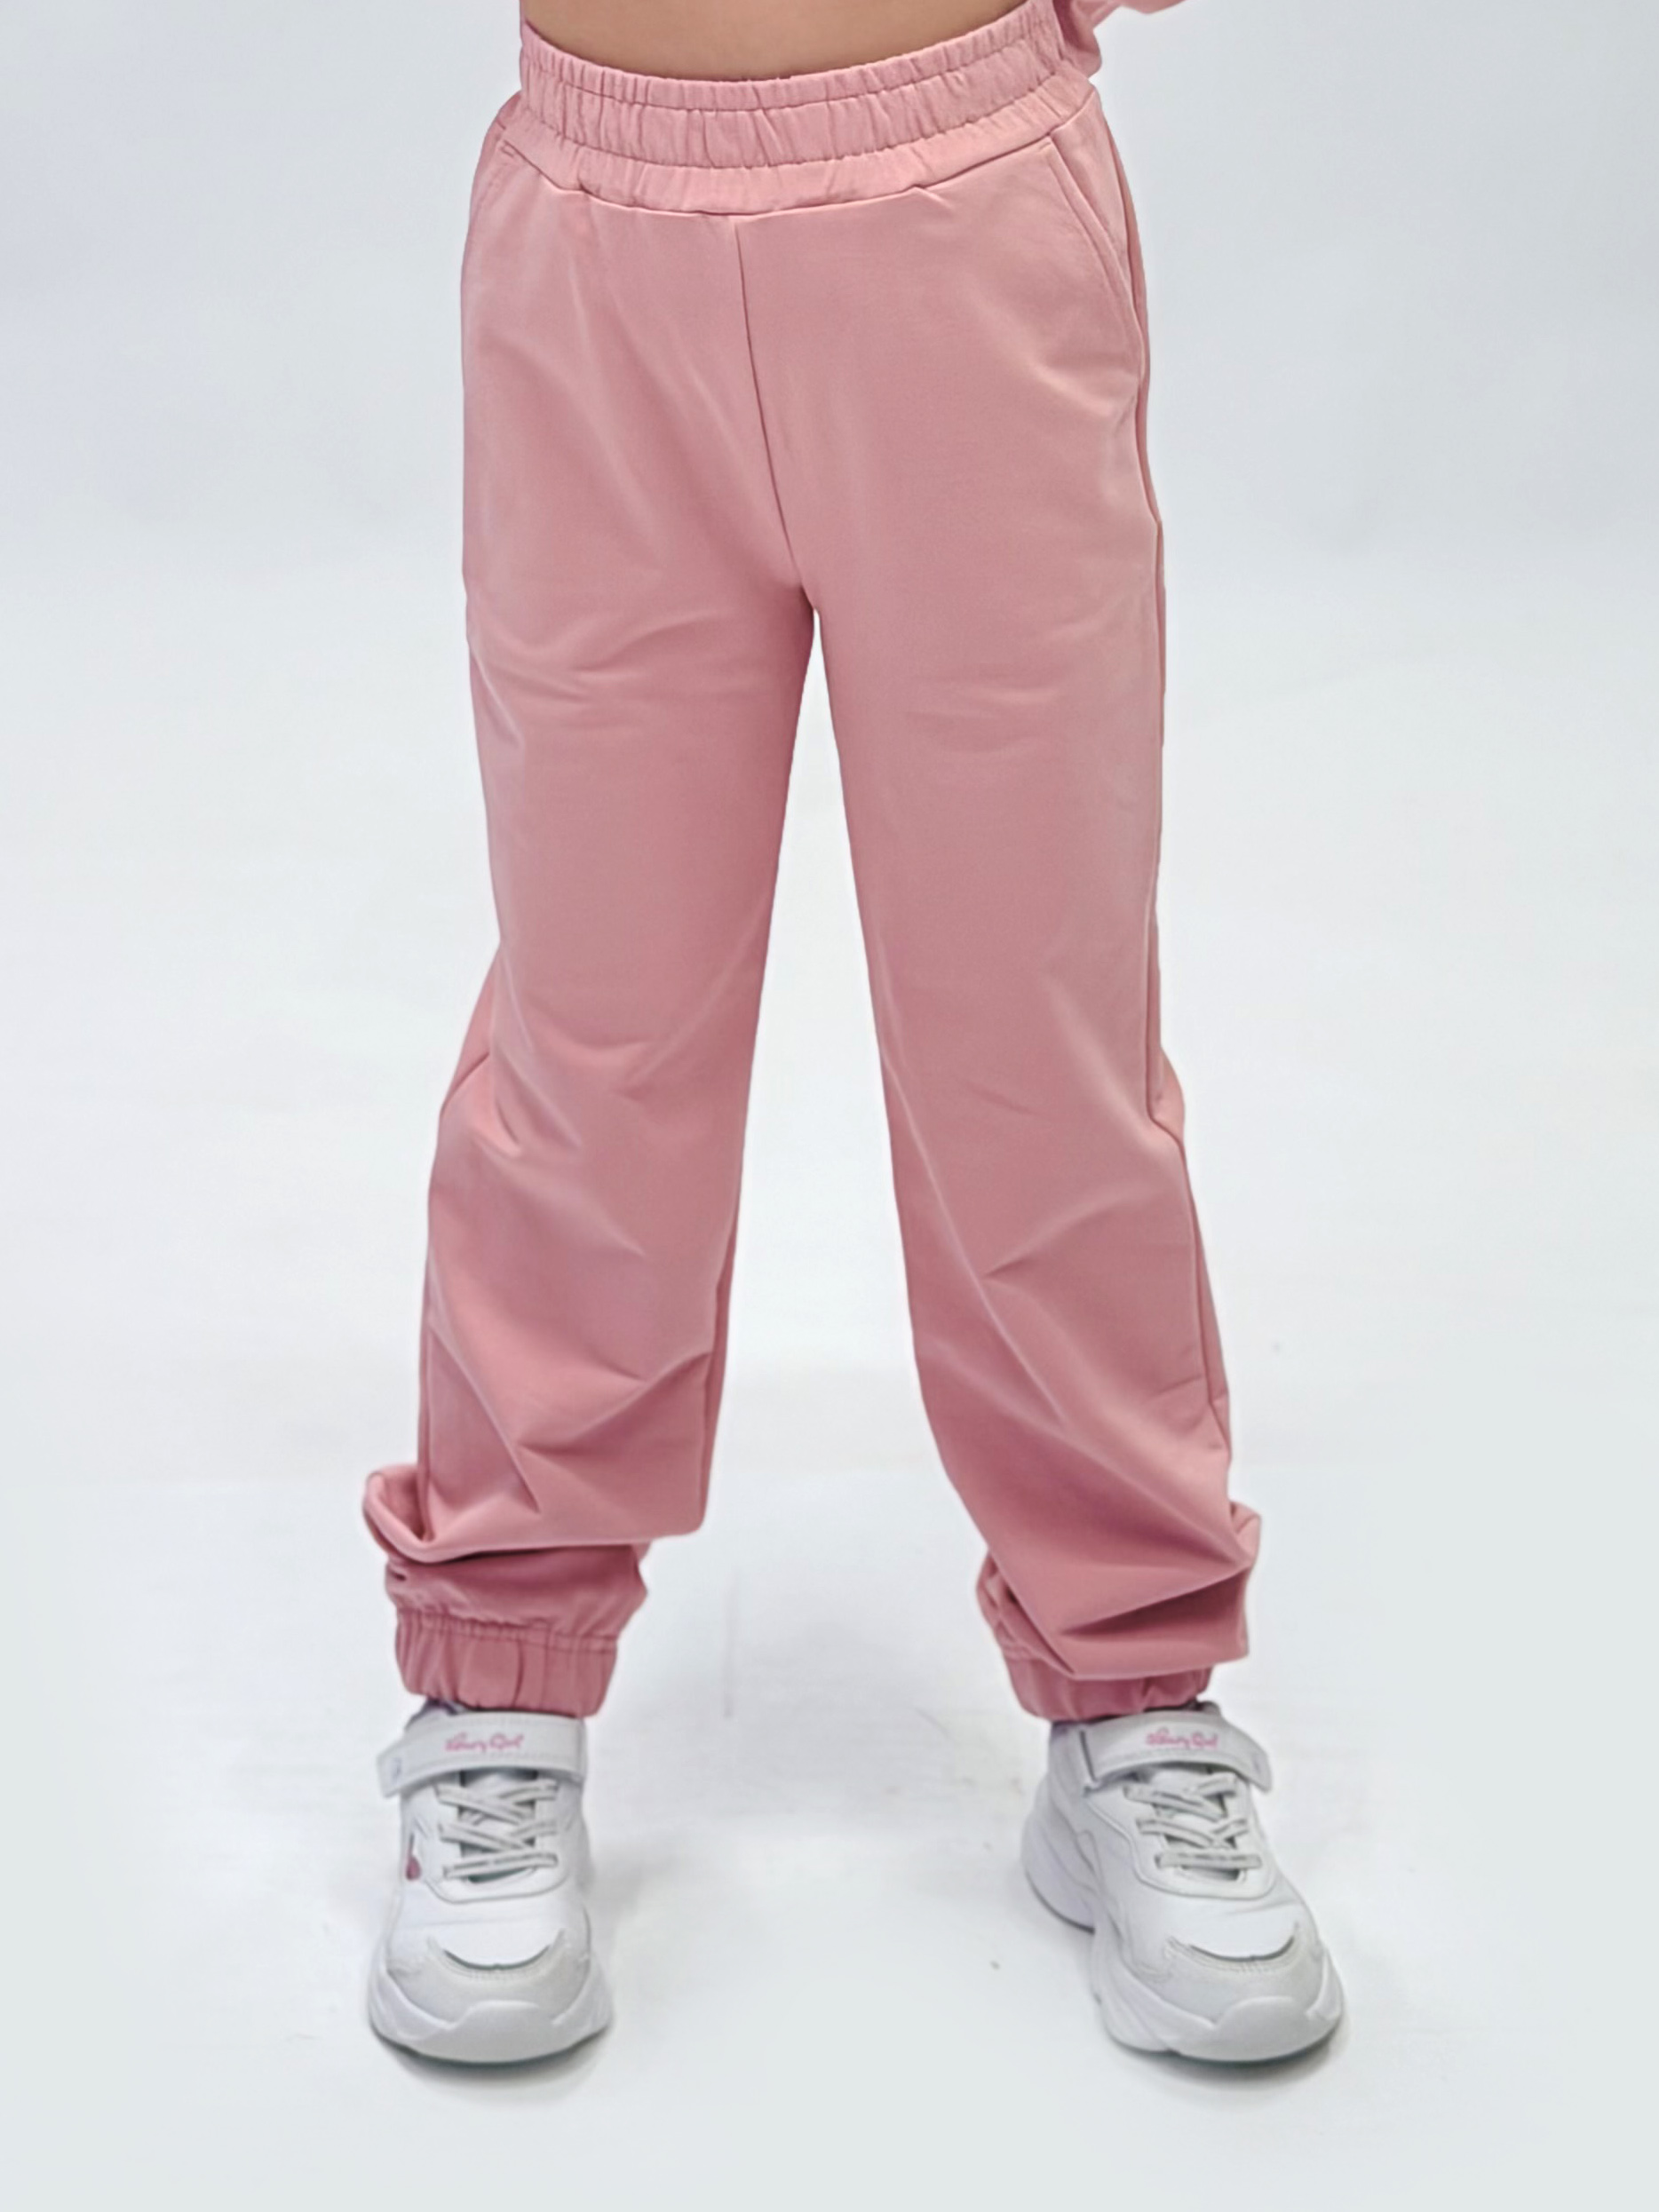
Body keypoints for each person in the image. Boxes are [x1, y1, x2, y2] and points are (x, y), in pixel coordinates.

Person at [363, 0, 1344, 2068]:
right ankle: (497, 1681)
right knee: (595, 1025)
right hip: (595, 216)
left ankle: (1135, 1688)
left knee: (1032, 1030)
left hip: (959, 200)